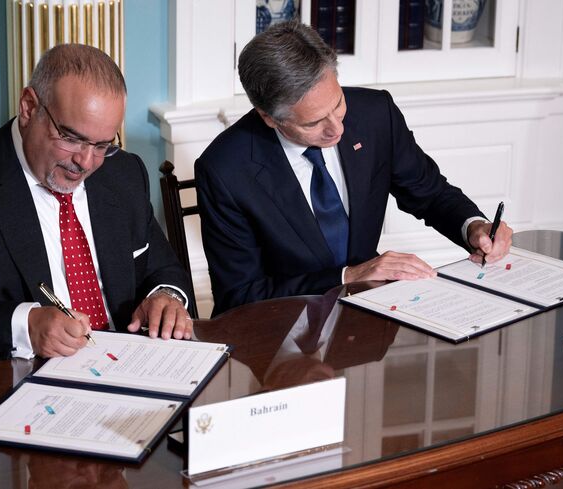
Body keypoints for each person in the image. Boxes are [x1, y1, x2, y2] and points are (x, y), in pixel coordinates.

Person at [0, 44, 192, 361]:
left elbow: (163, 268)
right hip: (8, 387)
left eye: (102, 145)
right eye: (71, 138)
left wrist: (165, 297)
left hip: (125, 370)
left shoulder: (123, 173)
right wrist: (24, 327)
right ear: (29, 107)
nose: (85, 162)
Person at [195, 21, 513, 315]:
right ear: (269, 117)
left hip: (372, 317)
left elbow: (429, 192)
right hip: (282, 333)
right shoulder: (225, 170)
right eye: (314, 122)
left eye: (338, 104)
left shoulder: (375, 114)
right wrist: (348, 277)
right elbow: (240, 297)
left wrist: (473, 227)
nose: (337, 129)